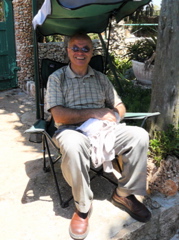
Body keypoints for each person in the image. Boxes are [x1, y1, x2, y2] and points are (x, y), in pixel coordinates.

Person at [46, 33, 151, 240]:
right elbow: (58, 114)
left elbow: (119, 106)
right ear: (68, 50)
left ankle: (123, 195)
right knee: (73, 144)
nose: (80, 52)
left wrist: (111, 117)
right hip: (72, 130)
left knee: (139, 135)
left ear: (92, 53)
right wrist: (94, 113)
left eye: (86, 49)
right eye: (75, 48)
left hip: (103, 130)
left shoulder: (101, 79)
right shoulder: (57, 78)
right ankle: (83, 207)